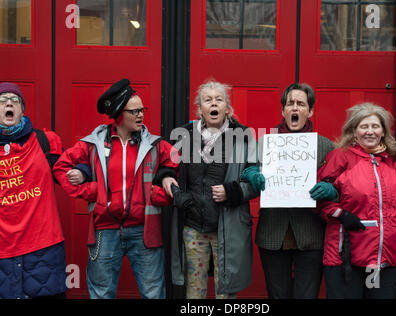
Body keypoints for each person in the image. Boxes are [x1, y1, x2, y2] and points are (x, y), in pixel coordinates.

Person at [53, 79, 179, 299]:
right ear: (119, 114)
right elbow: (61, 167)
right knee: (101, 294)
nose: (141, 115)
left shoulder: (155, 145)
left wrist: (160, 188)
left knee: (153, 294)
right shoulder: (91, 144)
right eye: (134, 111)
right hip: (105, 231)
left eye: (142, 110)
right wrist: (92, 191)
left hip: (144, 232)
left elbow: (177, 163)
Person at [241, 83, 335, 298]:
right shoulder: (264, 143)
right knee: (277, 295)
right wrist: (251, 174)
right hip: (273, 233)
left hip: (311, 235)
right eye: (290, 103)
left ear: (310, 111)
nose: (294, 108)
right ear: (283, 110)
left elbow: (340, 186)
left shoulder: (326, 146)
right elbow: (245, 171)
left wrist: (330, 189)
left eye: (300, 104)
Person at [167, 80, 259, 299]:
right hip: (193, 227)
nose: (214, 103)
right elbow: (166, 166)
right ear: (200, 109)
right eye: (208, 100)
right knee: (194, 291)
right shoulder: (184, 135)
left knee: (224, 292)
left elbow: (255, 181)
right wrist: (168, 180)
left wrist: (232, 191)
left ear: (227, 108)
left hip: (226, 229)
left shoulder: (244, 136)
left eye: (219, 99)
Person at [315, 102, 396, 299]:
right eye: (364, 126)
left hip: (384, 257)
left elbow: (395, 200)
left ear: (383, 131)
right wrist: (341, 213)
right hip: (346, 257)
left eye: (375, 126)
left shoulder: (389, 162)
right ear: (354, 131)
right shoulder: (339, 157)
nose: (370, 131)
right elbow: (317, 197)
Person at [0, 82, 67, 299]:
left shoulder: (45, 141)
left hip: (42, 250)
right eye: (2, 100)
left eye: (15, 100)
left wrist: (83, 173)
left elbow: (69, 171)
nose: (9, 103)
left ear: (22, 109)